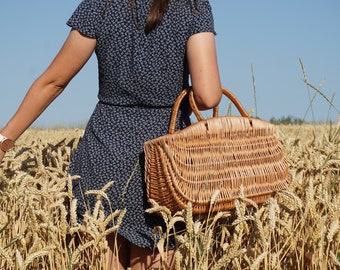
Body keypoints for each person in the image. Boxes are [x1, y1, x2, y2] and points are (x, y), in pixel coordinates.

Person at [0, 0, 221, 268]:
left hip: (103, 154)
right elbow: (208, 96)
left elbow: (53, 81)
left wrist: (3, 140)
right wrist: (167, 98)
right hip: (164, 163)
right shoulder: (192, 6)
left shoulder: (100, 4)